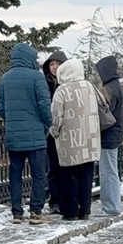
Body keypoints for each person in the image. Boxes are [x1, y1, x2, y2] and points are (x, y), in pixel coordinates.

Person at [0, 43, 52, 225]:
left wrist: (13, 119)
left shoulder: (5, 78)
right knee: (38, 174)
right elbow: (45, 104)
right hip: (36, 135)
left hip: (14, 136)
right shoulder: (37, 77)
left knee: (15, 174)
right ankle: (36, 211)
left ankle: (17, 212)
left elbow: (1, 108)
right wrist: (48, 122)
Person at [50, 59, 101, 220]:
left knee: (69, 176)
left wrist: (54, 132)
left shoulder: (62, 90)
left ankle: (70, 211)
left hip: (69, 140)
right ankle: (85, 209)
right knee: (86, 176)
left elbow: (56, 116)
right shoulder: (89, 86)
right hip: (90, 139)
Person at [95, 55, 123, 216]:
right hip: (115, 134)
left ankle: (111, 206)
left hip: (108, 135)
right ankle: (113, 204)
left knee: (107, 172)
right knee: (111, 170)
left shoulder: (109, 89)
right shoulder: (117, 86)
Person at [42, 51, 66, 214]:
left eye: (57, 64)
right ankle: (54, 199)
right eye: (51, 64)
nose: (55, 67)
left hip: (66, 130)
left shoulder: (67, 84)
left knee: (67, 167)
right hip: (51, 131)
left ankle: (66, 198)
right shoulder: (45, 83)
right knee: (53, 167)